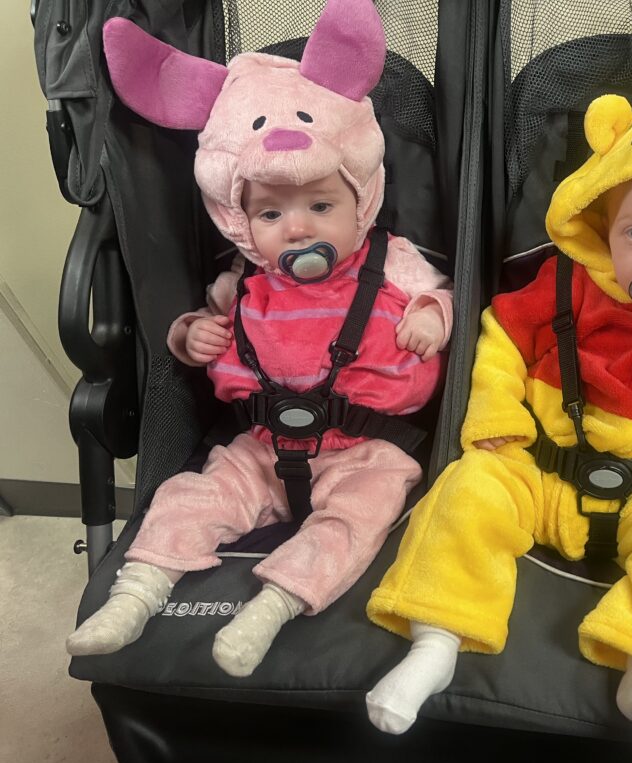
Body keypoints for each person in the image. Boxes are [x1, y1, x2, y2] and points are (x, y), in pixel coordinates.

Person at [364, 93, 632, 763]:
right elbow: (498, 340)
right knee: (467, 493)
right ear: (605, 229)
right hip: (539, 464)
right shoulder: (566, 285)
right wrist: (496, 417)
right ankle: (435, 640)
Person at [66, 0, 453, 678]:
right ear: (239, 221)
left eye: (319, 206)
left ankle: (272, 607)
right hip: (260, 443)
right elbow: (203, 330)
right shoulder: (244, 278)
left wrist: (430, 319)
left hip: (365, 445)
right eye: (272, 213)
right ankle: (137, 593)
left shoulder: (387, 258)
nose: (297, 228)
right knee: (187, 497)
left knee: (359, 517)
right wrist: (194, 338)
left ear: (359, 200)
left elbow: (438, 297)